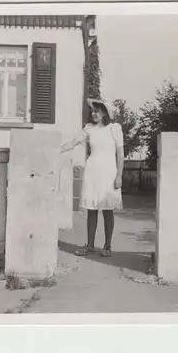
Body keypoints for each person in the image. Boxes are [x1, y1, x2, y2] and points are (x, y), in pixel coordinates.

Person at [60, 98, 124, 257]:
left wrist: (119, 176)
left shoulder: (113, 128)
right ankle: (90, 245)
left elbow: (120, 153)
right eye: (93, 111)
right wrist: (53, 149)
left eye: (97, 111)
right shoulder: (88, 129)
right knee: (92, 210)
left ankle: (107, 246)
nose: (94, 114)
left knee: (108, 210)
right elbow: (72, 143)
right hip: (92, 171)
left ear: (104, 113)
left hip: (109, 172)